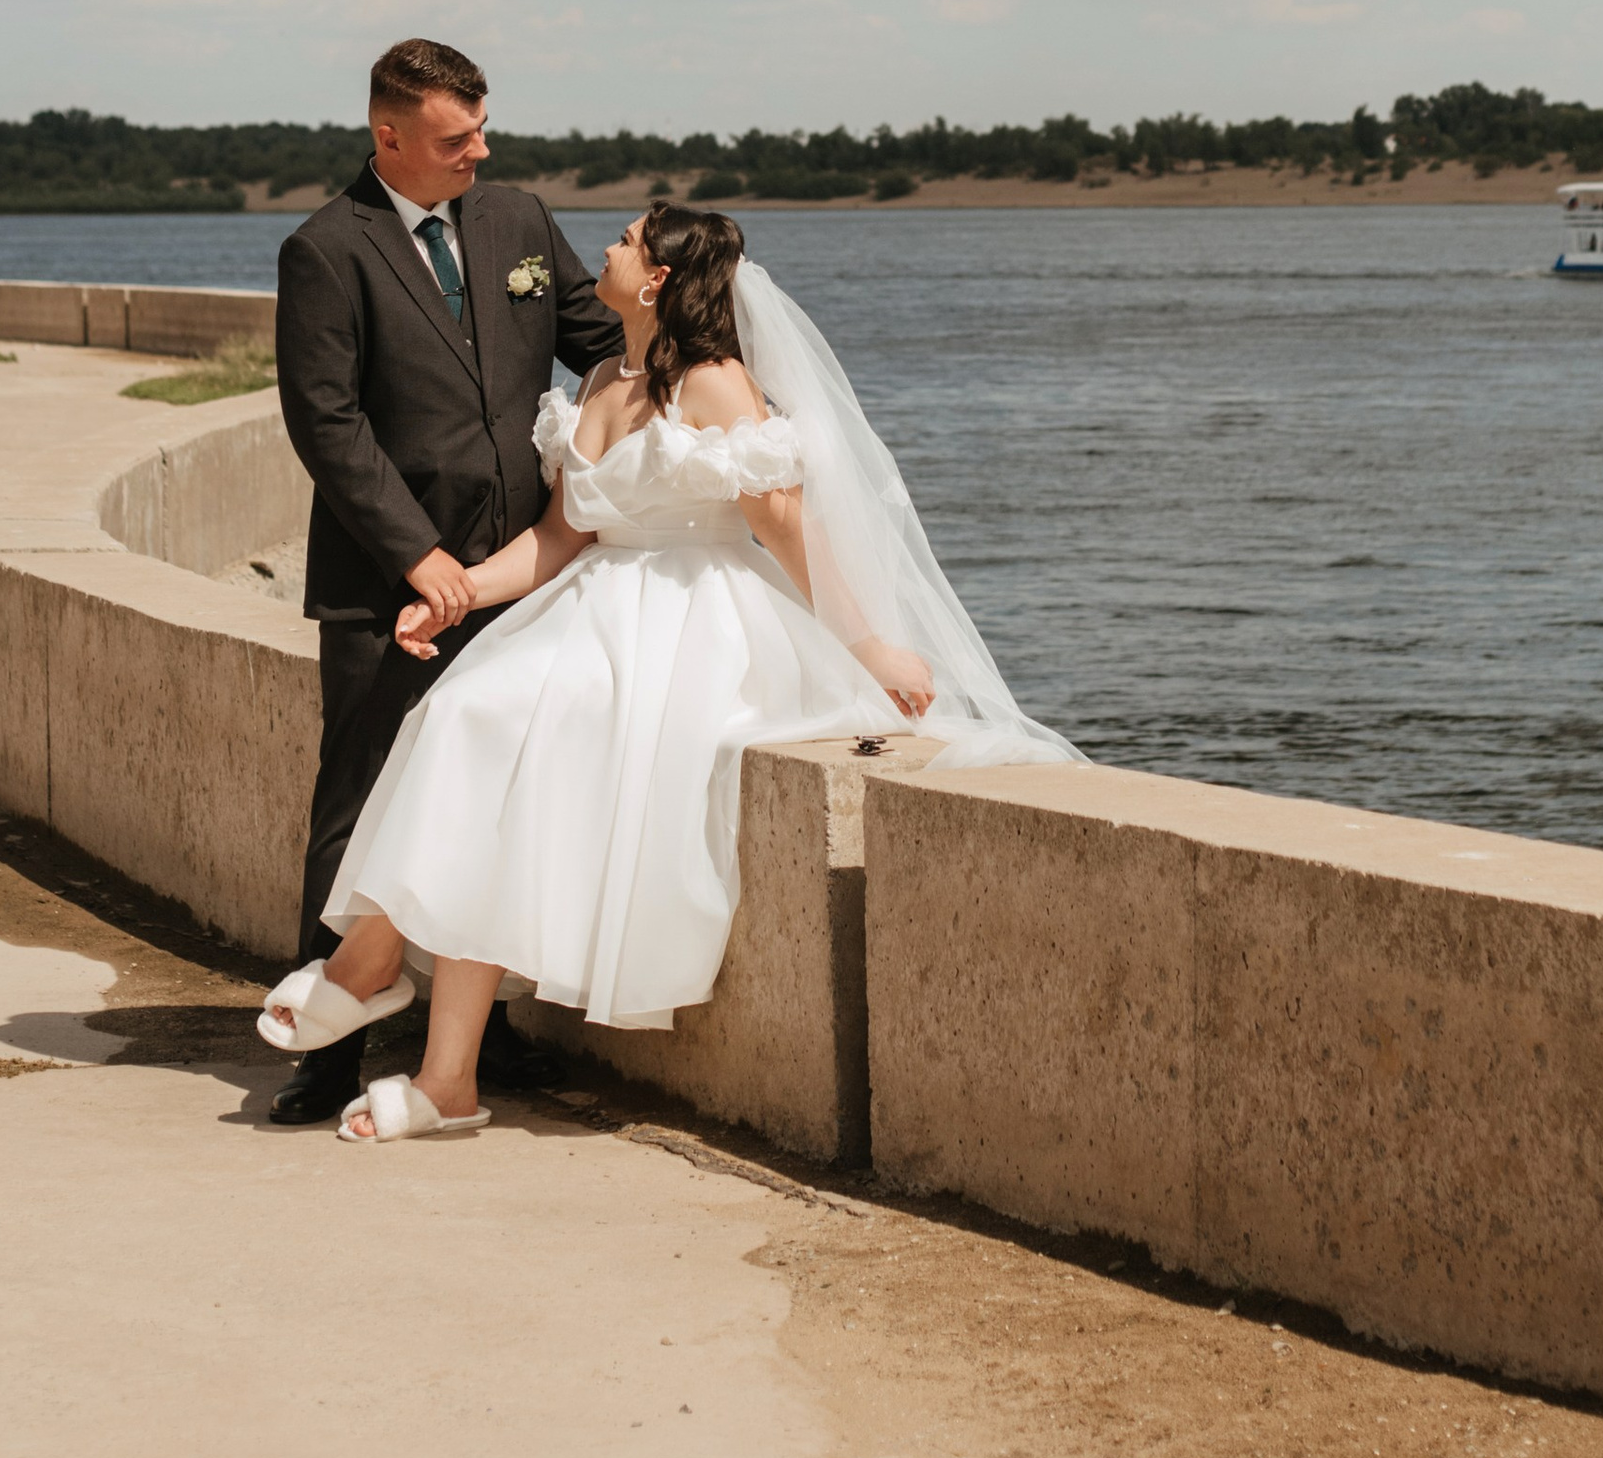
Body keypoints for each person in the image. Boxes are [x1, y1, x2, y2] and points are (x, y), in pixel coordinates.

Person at [257, 202, 1073, 1143]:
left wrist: (871, 647)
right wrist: (457, 594)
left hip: (694, 621)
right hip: (591, 604)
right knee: (461, 717)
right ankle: (441, 1067)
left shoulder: (717, 385)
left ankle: (377, 984)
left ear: (655, 280)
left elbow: (785, 529)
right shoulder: (602, 377)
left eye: (626, 241)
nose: (605, 248)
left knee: (502, 730)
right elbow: (559, 537)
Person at [266, 38, 621, 1127]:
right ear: (389, 136)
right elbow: (326, 422)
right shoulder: (325, 250)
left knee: (491, 804)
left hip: (522, 577)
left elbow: (602, 339)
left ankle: (479, 1037)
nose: (480, 151)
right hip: (386, 585)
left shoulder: (519, 220)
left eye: (481, 129)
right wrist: (416, 554)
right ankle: (330, 1051)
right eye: (456, 136)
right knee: (360, 804)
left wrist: (709, 371)